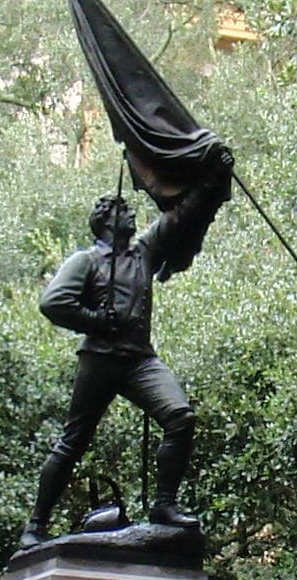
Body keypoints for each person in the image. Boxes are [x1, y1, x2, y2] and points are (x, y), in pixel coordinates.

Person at [26, 145, 234, 543]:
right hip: (101, 360)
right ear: (105, 222)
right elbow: (52, 302)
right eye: (123, 211)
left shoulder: (144, 252)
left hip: (139, 360)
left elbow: (181, 215)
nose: (132, 214)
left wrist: (212, 178)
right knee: (73, 442)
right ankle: (35, 526)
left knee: (180, 418)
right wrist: (94, 319)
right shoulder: (86, 261)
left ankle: (164, 503)